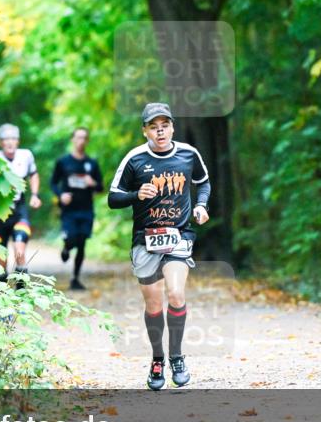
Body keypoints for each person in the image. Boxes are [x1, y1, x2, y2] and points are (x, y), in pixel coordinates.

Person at [108, 103, 210, 390]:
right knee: (153, 304)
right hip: (145, 240)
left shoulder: (188, 154)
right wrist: (135, 194)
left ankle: (177, 357)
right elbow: (113, 198)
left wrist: (201, 206)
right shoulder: (135, 159)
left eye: (165, 124)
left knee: (176, 293)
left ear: (173, 127)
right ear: (145, 131)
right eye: (153, 126)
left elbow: (203, 183)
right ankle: (157, 359)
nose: (160, 130)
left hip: (179, 236)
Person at [50, 127, 103, 290]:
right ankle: (66, 248)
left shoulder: (92, 164)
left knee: (82, 243)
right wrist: (61, 195)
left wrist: (92, 183)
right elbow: (53, 182)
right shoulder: (63, 162)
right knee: (72, 237)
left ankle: (75, 278)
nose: (81, 141)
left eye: (84, 138)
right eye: (78, 137)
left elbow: (101, 187)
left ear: (87, 141)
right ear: (72, 139)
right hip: (69, 210)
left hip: (86, 209)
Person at [0, 124, 42, 282]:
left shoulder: (26, 155)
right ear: (0, 142)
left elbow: (33, 174)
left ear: (18, 141)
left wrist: (35, 195)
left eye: (13, 139)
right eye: (6, 139)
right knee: (1, 259)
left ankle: (21, 298)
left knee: (20, 251)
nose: (10, 142)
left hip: (19, 211)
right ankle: (2, 296)